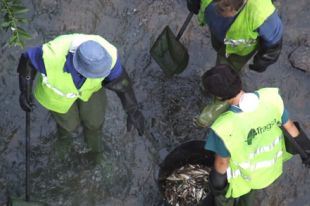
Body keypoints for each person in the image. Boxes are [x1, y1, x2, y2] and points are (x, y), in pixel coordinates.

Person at [17, 33, 145, 163]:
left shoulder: (108, 55)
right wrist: (25, 92)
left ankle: (95, 151)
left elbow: (121, 82)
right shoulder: (51, 55)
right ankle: (64, 140)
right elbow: (27, 61)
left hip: (89, 90)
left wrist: (133, 110)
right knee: (70, 125)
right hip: (57, 95)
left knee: (95, 121)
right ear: (79, 68)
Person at [200, 64, 310, 206]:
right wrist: (306, 151)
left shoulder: (224, 127)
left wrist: (217, 186)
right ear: (239, 81)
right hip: (270, 171)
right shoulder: (271, 99)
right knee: (250, 195)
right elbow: (291, 128)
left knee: (228, 196)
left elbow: (222, 163)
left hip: (243, 178)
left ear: (219, 97)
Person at [186, 0, 283, 127]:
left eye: (222, 9)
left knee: (227, 70)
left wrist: (265, 59)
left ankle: (224, 99)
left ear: (235, 9)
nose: (217, 8)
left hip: (239, 50)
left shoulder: (262, 15)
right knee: (218, 49)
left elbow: (274, 42)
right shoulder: (222, 7)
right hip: (220, 33)